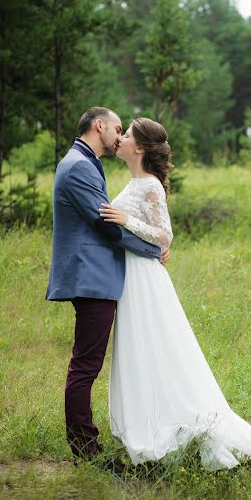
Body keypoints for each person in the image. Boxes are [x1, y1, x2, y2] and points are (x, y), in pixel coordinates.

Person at [99, 117, 251, 482]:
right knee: (141, 350)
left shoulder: (150, 185)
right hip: (133, 276)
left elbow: (164, 236)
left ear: (138, 148)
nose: (118, 139)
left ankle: (177, 426)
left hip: (145, 280)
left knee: (158, 347)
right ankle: (150, 421)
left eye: (126, 135)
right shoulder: (135, 181)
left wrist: (125, 220)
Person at [46, 107, 169, 472]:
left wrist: (154, 245)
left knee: (89, 363)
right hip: (92, 277)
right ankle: (86, 451)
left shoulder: (83, 162)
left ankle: (93, 444)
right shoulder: (79, 166)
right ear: (99, 126)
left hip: (99, 276)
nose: (119, 136)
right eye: (118, 129)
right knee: (85, 366)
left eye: (125, 132)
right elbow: (107, 227)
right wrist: (154, 251)